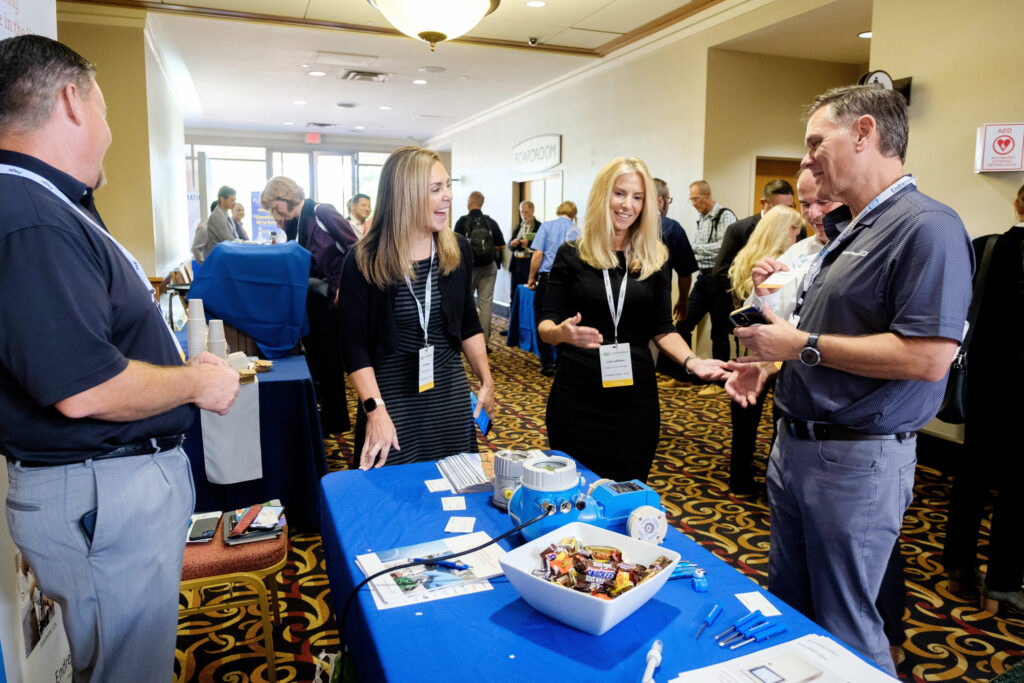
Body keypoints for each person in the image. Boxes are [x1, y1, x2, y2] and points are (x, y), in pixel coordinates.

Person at [0, 34, 239, 682]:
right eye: (105, 111)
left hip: (106, 492)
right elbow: (85, 386)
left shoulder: (50, 207)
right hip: (101, 496)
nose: (109, 132)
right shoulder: (31, 215)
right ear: (73, 101)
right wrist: (195, 383)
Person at [725, 84, 973, 674]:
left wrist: (799, 347)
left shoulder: (927, 228)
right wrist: (770, 356)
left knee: (847, 627)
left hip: (857, 459)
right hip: (799, 445)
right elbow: (830, 326)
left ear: (864, 133)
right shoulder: (850, 231)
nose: (806, 159)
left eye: (816, 142)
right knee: (794, 610)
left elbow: (928, 358)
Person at [539, 157, 728, 483]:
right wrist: (562, 333)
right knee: (572, 490)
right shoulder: (572, 254)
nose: (628, 205)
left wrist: (693, 362)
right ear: (603, 196)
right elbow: (546, 325)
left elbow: (662, 328)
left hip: (633, 398)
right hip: (576, 395)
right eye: (620, 193)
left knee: (626, 490)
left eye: (637, 197)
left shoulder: (655, 258)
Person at [339, 146, 494, 468]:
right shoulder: (365, 259)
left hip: (448, 396)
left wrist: (486, 379)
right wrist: (375, 410)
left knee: (456, 495)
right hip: (389, 398)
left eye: (448, 185)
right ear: (404, 197)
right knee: (393, 503)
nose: (448, 196)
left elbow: (467, 322)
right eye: (436, 189)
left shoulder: (457, 250)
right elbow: (353, 347)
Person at [943, 182, 1024, 614]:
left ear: (1016, 204)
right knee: (1017, 489)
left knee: (971, 475)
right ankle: (1005, 582)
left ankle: (958, 565)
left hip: (982, 384)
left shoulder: (985, 248)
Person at [260, 175, 359, 434]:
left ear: (285, 197)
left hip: (332, 298)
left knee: (330, 361)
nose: (273, 213)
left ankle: (336, 420)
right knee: (318, 359)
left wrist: (341, 286)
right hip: (313, 299)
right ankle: (327, 416)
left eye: (273, 206)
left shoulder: (320, 211)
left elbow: (356, 249)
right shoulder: (295, 225)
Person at [676, 180, 736, 364]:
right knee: (683, 324)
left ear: (707, 195)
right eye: (691, 200)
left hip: (719, 280)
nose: (693, 204)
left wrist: (692, 249)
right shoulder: (702, 219)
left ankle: (719, 381)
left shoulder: (724, 215)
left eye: (696, 199)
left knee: (719, 331)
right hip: (703, 278)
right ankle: (684, 373)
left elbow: (723, 248)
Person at [527, 201, 579, 376]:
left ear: (559, 211)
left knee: (543, 320)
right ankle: (562, 361)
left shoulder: (547, 227)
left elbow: (538, 254)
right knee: (567, 320)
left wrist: (531, 278)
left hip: (548, 280)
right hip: (572, 283)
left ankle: (547, 362)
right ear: (574, 214)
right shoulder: (579, 232)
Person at [454, 191, 505, 351]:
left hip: (468, 269)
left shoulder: (462, 222)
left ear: (469, 202)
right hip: (488, 268)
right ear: (481, 204)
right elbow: (501, 245)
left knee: (464, 304)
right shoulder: (490, 222)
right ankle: (484, 343)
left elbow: (455, 246)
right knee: (486, 304)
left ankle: (464, 341)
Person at [726, 205, 804, 305]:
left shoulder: (743, 257)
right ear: (785, 232)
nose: (795, 241)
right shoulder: (777, 265)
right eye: (796, 235)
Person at [509, 199, 541, 293]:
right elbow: (509, 245)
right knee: (514, 293)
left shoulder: (540, 226)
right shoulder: (518, 226)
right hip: (517, 263)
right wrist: (512, 244)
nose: (523, 215)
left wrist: (529, 244)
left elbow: (542, 247)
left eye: (526, 212)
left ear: (532, 211)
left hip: (530, 263)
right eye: (521, 212)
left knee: (528, 291)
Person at [201, 184, 239, 256]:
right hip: (219, 258)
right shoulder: (217, 217)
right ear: (222, 199)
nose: (234, 203)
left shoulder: (225, 214)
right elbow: (229, 240)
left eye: (235, 200)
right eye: (232, 200)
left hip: (225, 255)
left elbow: (234, 237)